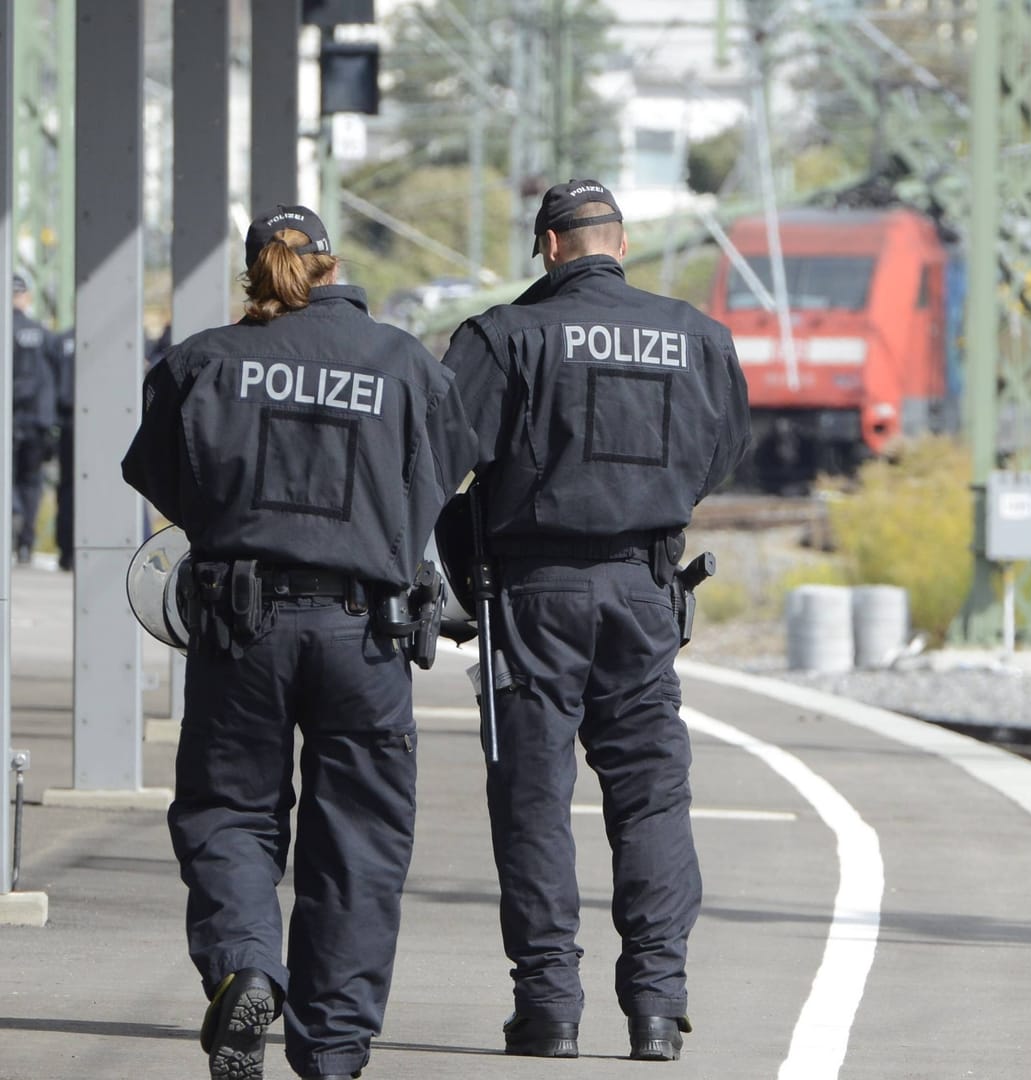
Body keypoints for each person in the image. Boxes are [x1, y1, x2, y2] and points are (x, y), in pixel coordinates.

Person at [122, 205, 481, 1080]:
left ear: (257, 274)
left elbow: (162, 481)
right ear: (332, 266)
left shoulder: (203, 361)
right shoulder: (401, 363)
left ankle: (247, 964)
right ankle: (333, 1046)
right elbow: (446, 474)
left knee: (230, 813)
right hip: (366, 634)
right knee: (357, 837)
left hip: (240, 627)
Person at [441, 179, 750, 1062]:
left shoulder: (505, 337)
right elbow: (722, 451)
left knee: (534, 801)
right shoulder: (696, 336)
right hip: (646, 594)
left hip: (531, 598)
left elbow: (435, 456)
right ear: (620, 242)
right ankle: (657, 1005)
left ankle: (549, 1009)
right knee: (651, 795)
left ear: (548, 247)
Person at [12, 274, 55, 564]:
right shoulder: (43, 333)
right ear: (25, 297)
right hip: (39, 422)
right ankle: (26, 541)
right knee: (31, 482)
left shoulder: (5, 330)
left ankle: (11, 519)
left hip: (10, 418)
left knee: (9, 480)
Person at [51, 326, 73, 570]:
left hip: (67, 422)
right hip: (104, 422)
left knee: (67, 488)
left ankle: (66, 551)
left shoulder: (61, 340)